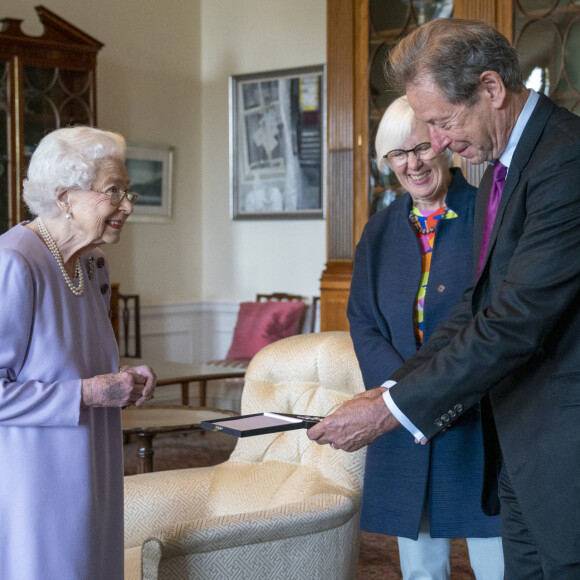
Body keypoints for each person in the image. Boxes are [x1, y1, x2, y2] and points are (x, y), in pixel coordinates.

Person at [308, 18, 580, 578]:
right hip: (519, 456)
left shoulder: (565, 159)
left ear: (490, 89)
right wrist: (389, 389)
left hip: (561, 451)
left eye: (440, 122)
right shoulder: (503, 171)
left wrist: (388, 411)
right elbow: (475, 310)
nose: (435, 145)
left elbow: (513, 322)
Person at [349, 96, 503, 579]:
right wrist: (400, 395)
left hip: (477, 414)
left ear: (446, 144)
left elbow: (492, 318)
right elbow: (363, 320)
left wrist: (430, 393)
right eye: (398, 153)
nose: (412, 163)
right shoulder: (378, 231)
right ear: (386, 162)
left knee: (497, 562)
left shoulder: (488, 216)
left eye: (421, 147)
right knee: (420, 568)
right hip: (401, 416)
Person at [0, 126, 157, 580]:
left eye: (127, 192)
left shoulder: (93, 264)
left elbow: (72, 366)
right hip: (36, 481)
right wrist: (88, 393)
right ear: (65, 196)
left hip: (94, 468)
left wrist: (121, 380)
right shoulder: (15, 262)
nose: (126, 206)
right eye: (113, 191)